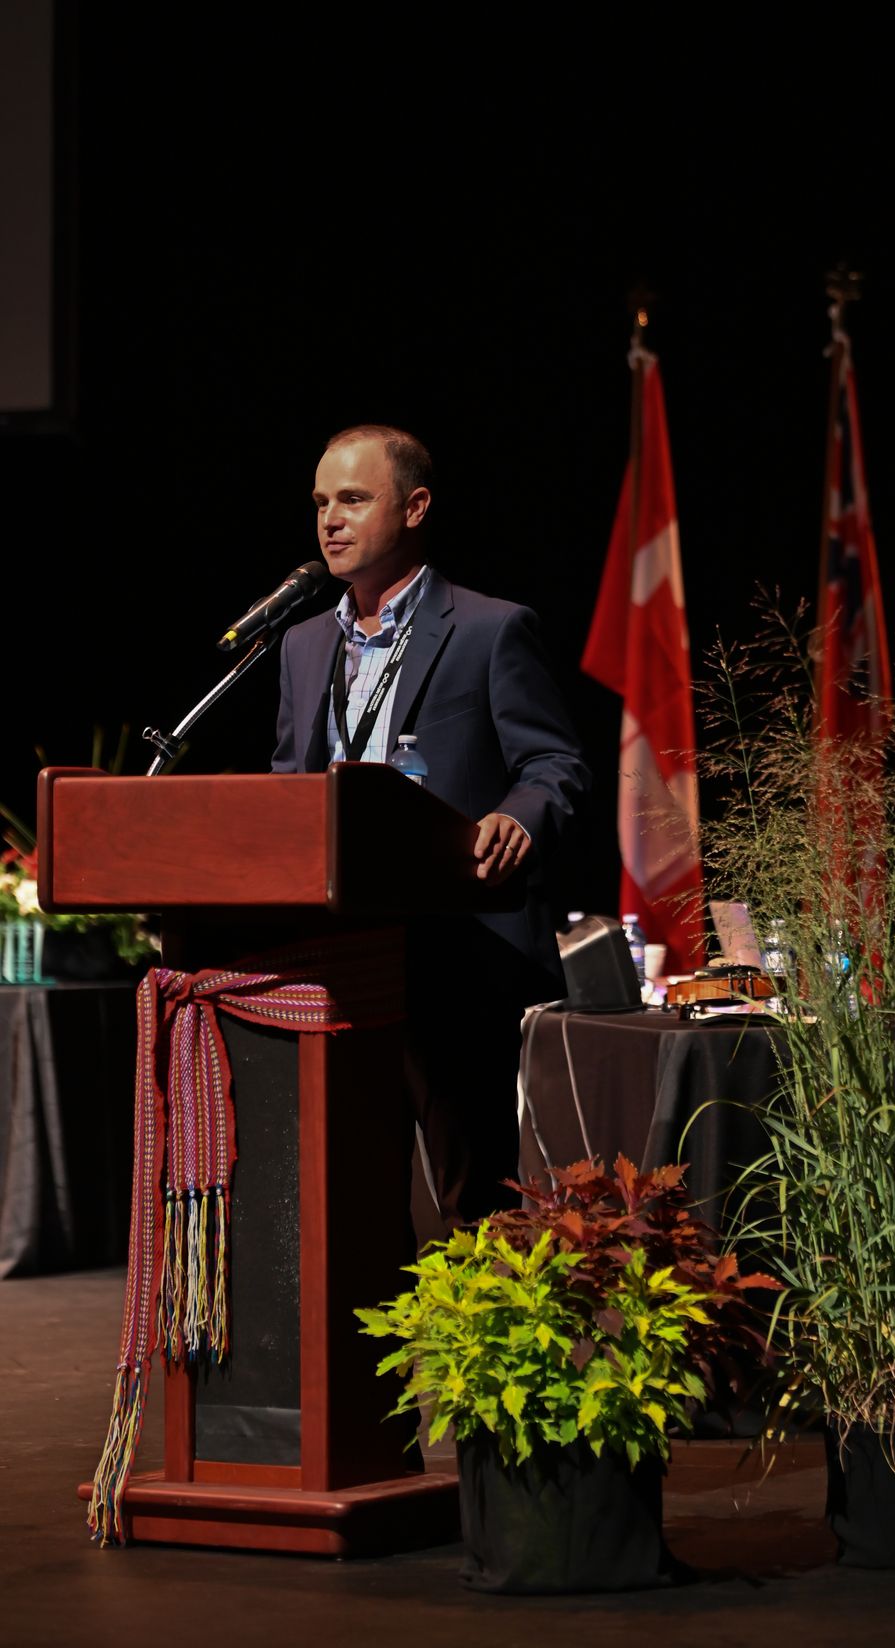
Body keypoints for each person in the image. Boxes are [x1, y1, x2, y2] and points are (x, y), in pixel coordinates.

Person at [272, 423, 590, 1232]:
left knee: (472, 1192)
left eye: (352, 498)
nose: (330, 520)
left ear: (415, 507)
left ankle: (482, 1356)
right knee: (349, 1194)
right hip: (338, 954)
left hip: (457, 952)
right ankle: (367, 1354)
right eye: (320, 503)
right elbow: (287, 787)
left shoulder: (489, 629)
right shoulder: (304, 643)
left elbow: (553, 766)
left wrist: (516, 818)